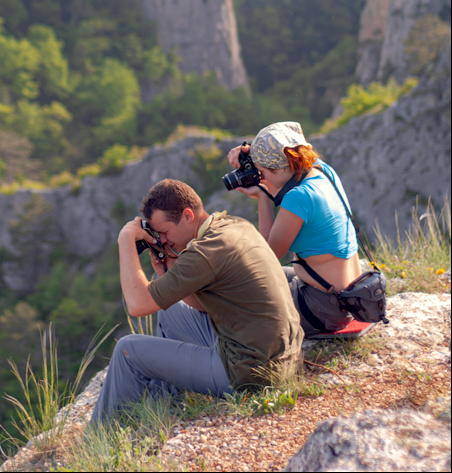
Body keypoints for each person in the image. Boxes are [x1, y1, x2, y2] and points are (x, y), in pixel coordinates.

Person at [90, 178, 303, 424]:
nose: (163, 239)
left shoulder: (203, 253)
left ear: (188, 216)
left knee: (127, 350)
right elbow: (205, 304)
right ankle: (163, 412)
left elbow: (138, 305)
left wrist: (126, 240)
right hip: (284, 358)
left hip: (251, 375)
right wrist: (167, 274)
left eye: (164, 231)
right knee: (169, 311)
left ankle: (100, 439)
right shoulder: (234, 226)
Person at [227, 122, 361, 335]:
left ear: (280, 167)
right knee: (244, 282)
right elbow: (285, 149)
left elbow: (268, 257)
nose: (260, 177)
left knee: (236, 307)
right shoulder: (321, 169)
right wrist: (252, 152)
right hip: (349, 295)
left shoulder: (299, 197)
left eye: (261, 171)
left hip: (324, 308)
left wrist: (262, 196)